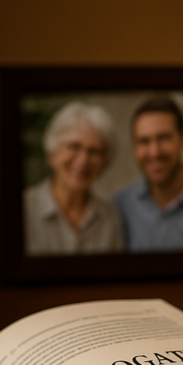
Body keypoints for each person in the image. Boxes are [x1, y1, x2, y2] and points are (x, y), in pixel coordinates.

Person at [23, 101, 123, 256]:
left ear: (104, 163)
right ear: (52, 152)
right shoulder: (23, 209)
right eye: (74, 146)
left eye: (94, 151)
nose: (83, 160)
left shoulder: (111, 218)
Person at [114, 97, 183, 252]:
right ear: (134, 147)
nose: (154, 152)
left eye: (164, 138)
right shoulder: (121, 205)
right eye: (144, 141)